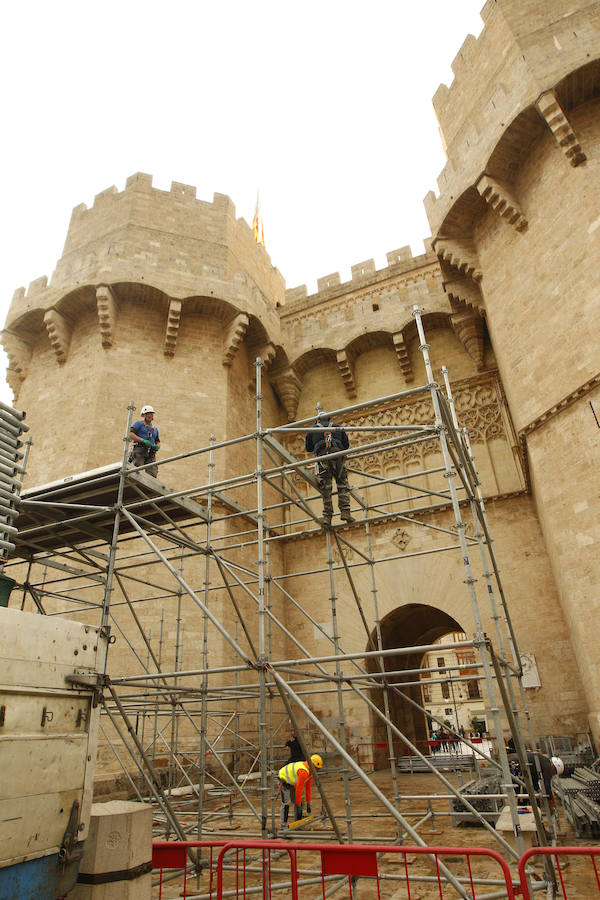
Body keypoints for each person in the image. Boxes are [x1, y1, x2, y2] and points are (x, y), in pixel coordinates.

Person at [305, 413, 354, 526]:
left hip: (323, 459)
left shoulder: (312, 429)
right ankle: (345, 512)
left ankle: (327, 516)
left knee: (326, 488)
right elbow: (346, 445)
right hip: (338, 458)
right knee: (342, 484)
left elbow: (308, 448)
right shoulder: (337, 426)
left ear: (317, 421)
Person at [278, 753, 323, 833]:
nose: (318, 770)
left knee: (298, 803)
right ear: (312, 766)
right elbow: (299, 790)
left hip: (292, 782)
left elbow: (308, 788)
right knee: (286, 803)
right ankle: (283, 826)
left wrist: (308, 803)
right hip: (284, 779)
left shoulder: (310, 772)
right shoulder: (304, 772)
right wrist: (299, 805)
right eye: (317, 768)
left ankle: (298, 824)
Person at [129, 405, 160, 478]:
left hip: (151, 453)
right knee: (138, 471)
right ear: (144, 415)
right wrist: (143, 440)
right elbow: (130, 434)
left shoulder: (155, 429)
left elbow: (157, 441)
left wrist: (157, 446)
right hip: (140, 449)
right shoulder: (139, 424)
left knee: (152, 473)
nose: (150, 415)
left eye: (151, 414)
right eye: (148, 413)